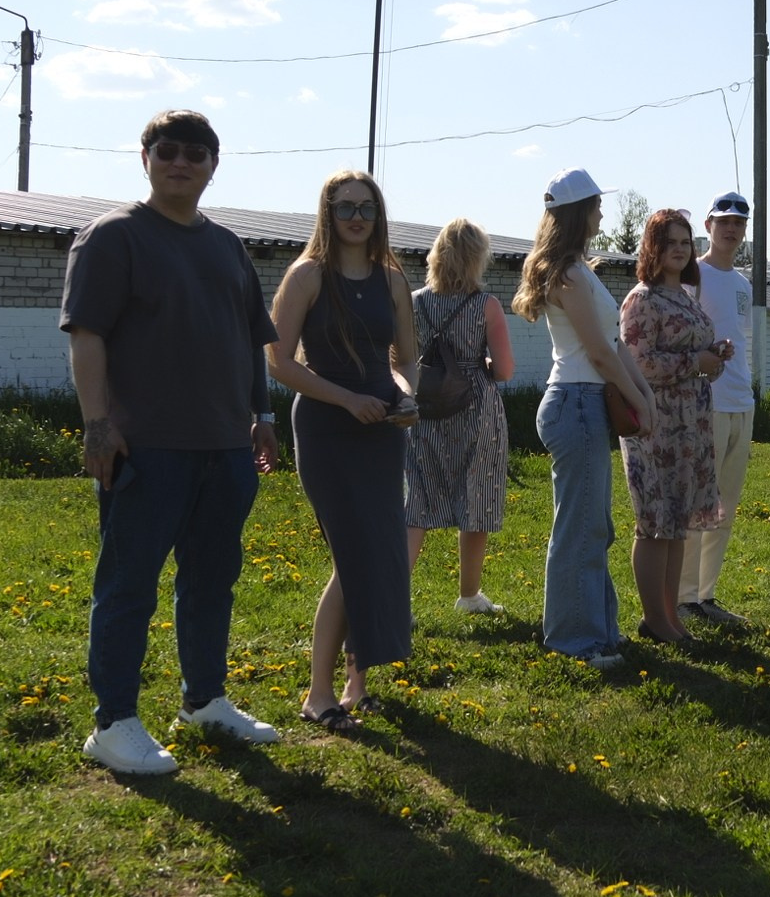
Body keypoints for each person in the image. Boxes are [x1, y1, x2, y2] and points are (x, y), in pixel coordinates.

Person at [60, 109, 284, 775]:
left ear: (213, 165)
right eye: (168, 150)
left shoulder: (228, 246)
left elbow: (251, 339)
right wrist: (99, 425)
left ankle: (204, 700)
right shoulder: (112, 238)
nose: (180, 161)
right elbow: (87, 336)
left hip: (224, 448)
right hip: (145, 449)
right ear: (145, 158)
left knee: (212, 580)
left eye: (195, 152)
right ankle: (113, 723)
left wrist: (263, 415)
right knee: (129, 585)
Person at [268, 172, 420, 731]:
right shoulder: (306, 275)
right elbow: (279, 361)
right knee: (353, 555)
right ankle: (318, 694)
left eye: (367, 207)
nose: (357, 216)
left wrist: (404, 396)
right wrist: (348, 399)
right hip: (328, 429)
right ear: (326, 213)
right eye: (345, 206)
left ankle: (357, 687)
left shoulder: (393, 279)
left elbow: (405, 360)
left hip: (382, 429)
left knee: (379, 554)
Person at [513, 168, 655, 669]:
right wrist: (639, 396)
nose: (602, 211)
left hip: (582, 403)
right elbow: (598, 352)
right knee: (582, 526)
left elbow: (612, 345)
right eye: (596, 204)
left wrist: (641, 392)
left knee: (593, 524)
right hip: (575, 402)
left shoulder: (577, 268)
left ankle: (597, 629)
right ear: (578, 212)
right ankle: (576, 639)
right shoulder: (569, 274)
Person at [619, 209, 727, 644]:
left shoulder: (685, 296)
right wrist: (692, 362)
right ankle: (654, 619)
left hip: (692, 424)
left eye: (686, 242)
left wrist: (714, 357)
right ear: (653, 248)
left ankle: (669, 617)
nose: (680, 250)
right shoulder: (642, 299)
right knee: (654, 522)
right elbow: (636, 363)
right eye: (671, 242)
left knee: (677, 521)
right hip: (655, 424)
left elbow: (697, 361)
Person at [405, 218, 515, 615]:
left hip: (426, 409)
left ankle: (394, 598)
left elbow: (399, 358)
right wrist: (481, 361)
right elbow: (504, 371)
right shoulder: (485, 305)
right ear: (476, 259)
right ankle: (469, 595)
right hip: (476, 411)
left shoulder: (415, 301)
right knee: (478, 498)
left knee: (417, 501)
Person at [678, 190, 757, 626]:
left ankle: (706, 595)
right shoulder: (694, 276)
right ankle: (683, 596)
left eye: (739, 223)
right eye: (723, 221)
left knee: (725, 507)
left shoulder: (743, 285)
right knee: (698, 506)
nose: (731, 229)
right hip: (705, 404)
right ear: (708, 226)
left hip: (741, 402)